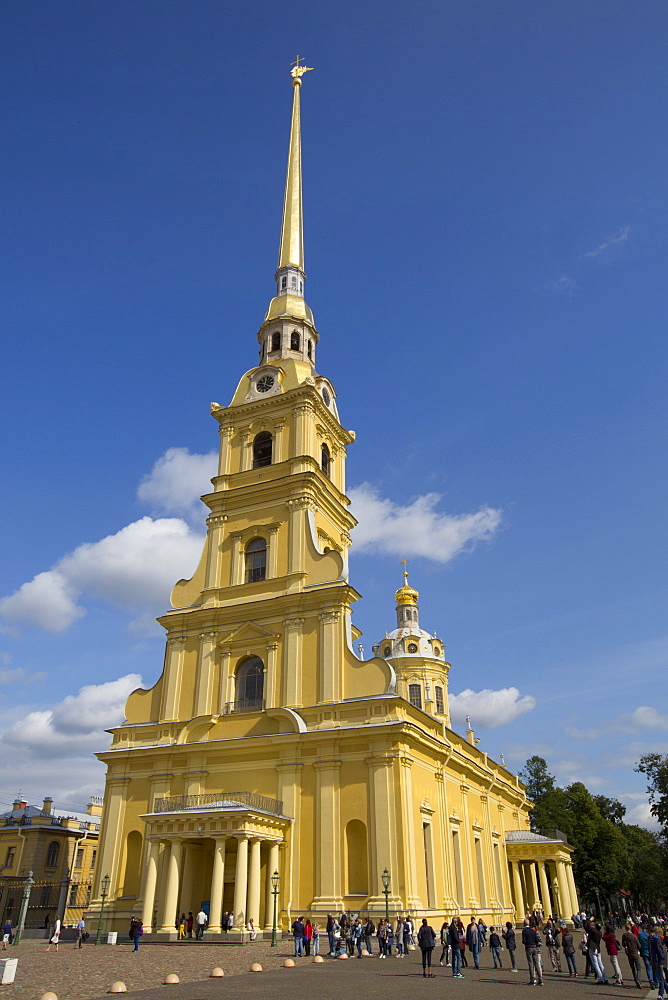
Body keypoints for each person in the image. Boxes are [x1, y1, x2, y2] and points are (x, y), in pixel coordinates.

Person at [586, 920, 609, 985]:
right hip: (598, 949)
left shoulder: (594, 932)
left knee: (595, 964)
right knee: (600, 963)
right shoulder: (600, 932)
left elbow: (588, 925)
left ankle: (600, 978)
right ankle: (605, 978)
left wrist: (590, 920)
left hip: (592, 948)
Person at [622, 921, 643, 989]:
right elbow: (639, 945)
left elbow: (623, 944)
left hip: (629, 953)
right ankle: (638, 979)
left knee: (633, 968)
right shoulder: (634, 936)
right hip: (635, 953)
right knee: (638, 967)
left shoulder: (624, 936)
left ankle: (635, 980)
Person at [521, 918, 543, 986]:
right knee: (536, 963)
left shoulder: (524, 931)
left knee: (531, 964)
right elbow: (537, 940)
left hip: (528, 947)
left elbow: (524, 941)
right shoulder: (533, 931)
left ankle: (532, 979)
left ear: (524, 924)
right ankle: (540, 979)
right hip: (535, 947)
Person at [650, 927, 667, 1000]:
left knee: (660, 978)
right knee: (661, 978)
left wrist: (661, 962)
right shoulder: (654, 939)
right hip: (655, 960)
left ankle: (661, 994)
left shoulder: (656, 940)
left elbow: (660, 952)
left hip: (657, 961)